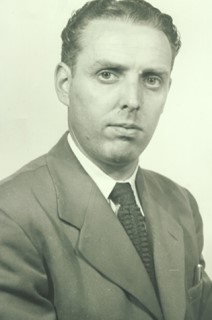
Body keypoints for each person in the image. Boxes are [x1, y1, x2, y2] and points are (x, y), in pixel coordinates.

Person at [0, 0, 211, 319]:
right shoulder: (11, 216)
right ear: (64, 84)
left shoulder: (181, 204)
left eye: (151, 79)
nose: (132, 100)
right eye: (108, 74)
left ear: (168, 89)